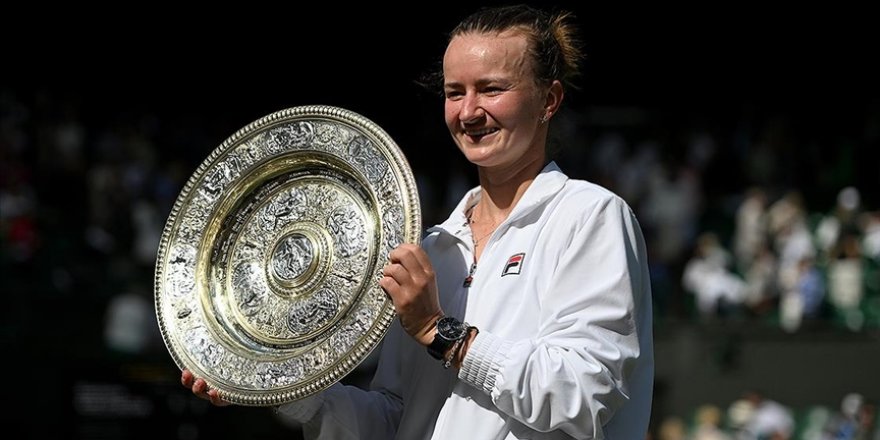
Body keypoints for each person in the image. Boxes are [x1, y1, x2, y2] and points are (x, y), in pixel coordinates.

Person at [182, 4, 654, 439]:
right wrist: (276, 385)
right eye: (455, 92)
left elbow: (583, 394)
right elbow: (395, 418)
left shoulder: (589, 217)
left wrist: (439, 331)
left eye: (492, 89)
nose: (469, 112)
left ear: (548, 100)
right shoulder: (431, 247)